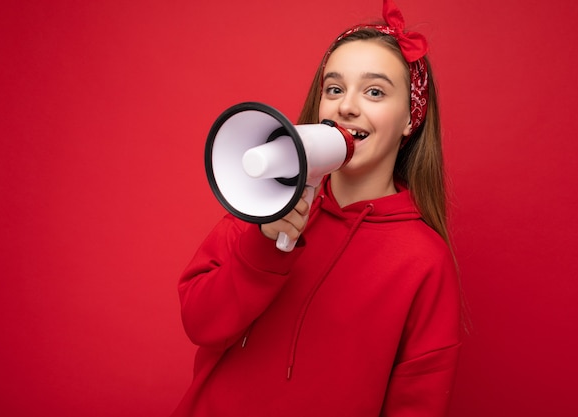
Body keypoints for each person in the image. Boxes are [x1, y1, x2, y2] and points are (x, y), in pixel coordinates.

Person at [172, 0, 462, 415]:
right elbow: (199, 323)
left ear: (410, 120)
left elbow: (418, 403)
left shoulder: (424, 261)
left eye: (375, 91)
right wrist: (264, 245)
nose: (346, 106)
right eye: (335, 88)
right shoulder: (264, 204)